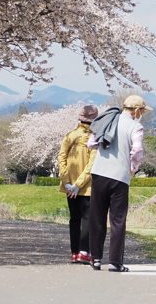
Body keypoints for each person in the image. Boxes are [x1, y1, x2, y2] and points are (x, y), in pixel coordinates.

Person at [86, 94, 149, 272]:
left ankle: (96, 259)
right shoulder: (136, 127)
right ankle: (115, 262)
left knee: (97, 217)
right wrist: (133, 168)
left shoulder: (108, 120)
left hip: (99, 173)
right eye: (142, 110)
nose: (141, 113)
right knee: (117, 220)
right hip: (120, 177)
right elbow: (137, 150)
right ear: (136, 110)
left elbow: (91, 143)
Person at [58, 105, 99, 265]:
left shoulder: (69, 136)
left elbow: (61, 158)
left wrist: (67, 182)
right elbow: (91, 164)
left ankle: (74, 253)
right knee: (87, 218)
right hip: (86, 187)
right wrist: (78, 184)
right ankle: (84, 251)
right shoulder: (93, 138)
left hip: (69, 187)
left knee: (74, 219)